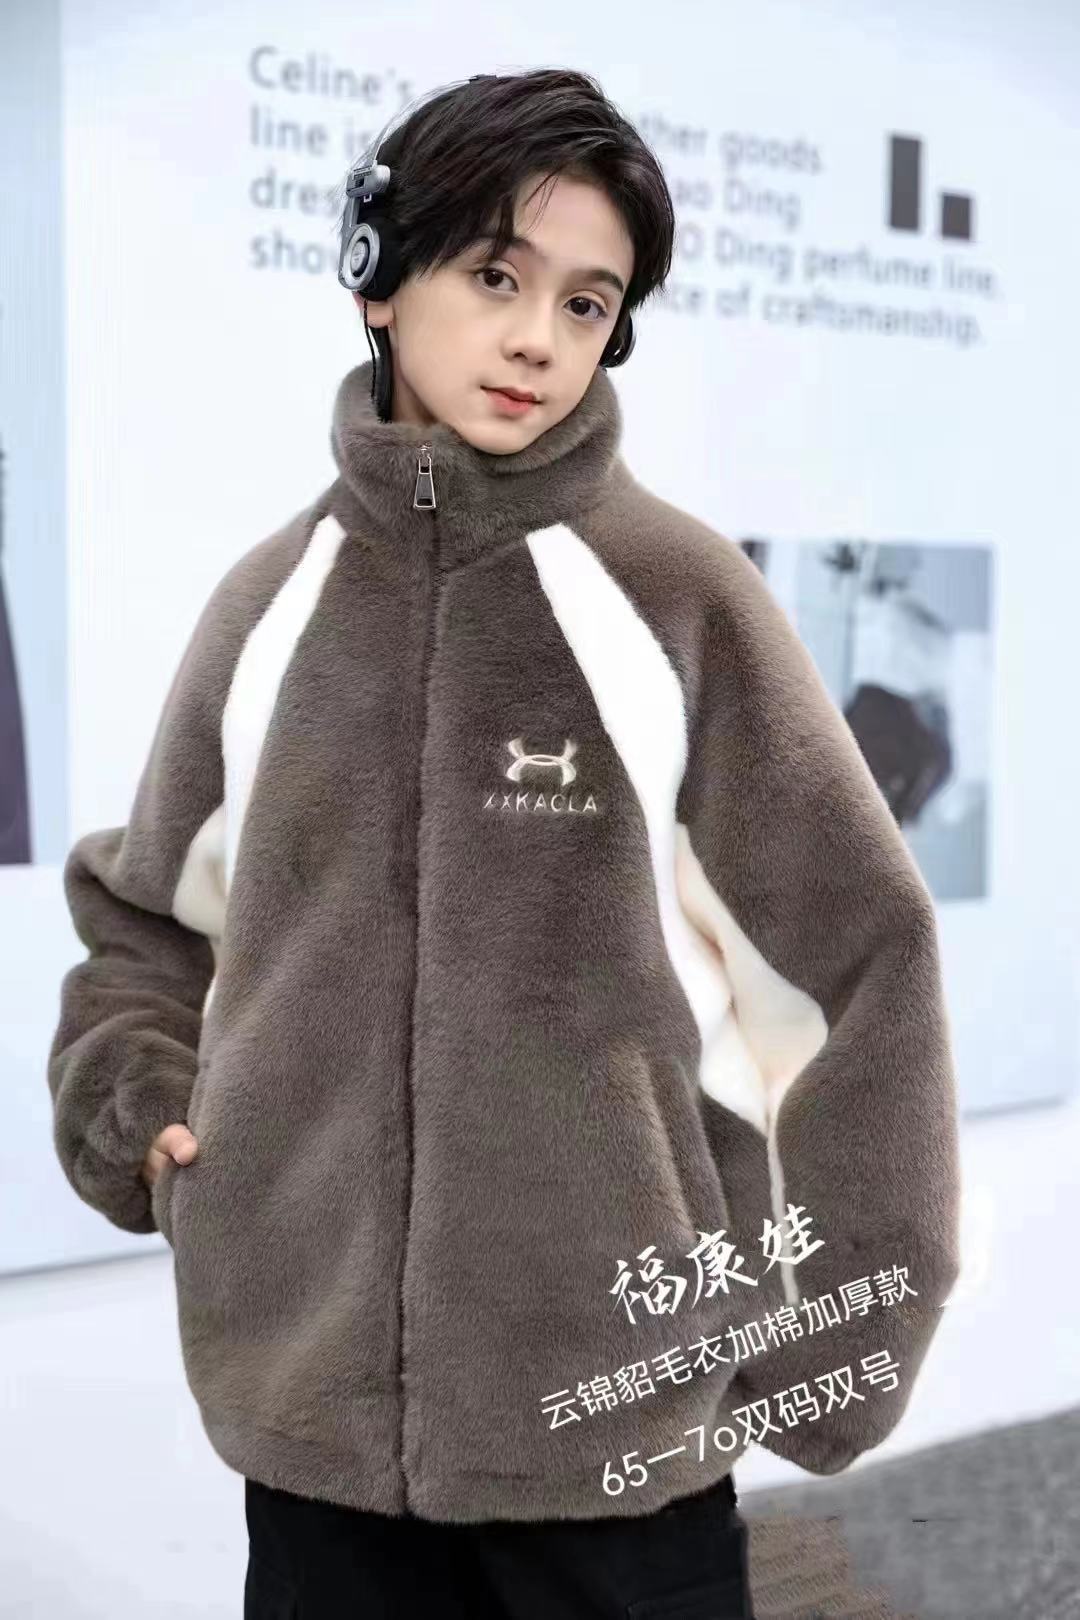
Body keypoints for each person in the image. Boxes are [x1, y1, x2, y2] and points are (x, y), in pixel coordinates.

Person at [46, 68, 961, 1619]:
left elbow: (861, 965)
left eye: (587, 303)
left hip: (620, 1452)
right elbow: (148, 922)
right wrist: (141, 1104)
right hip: (314, 1444)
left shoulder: (678, 599)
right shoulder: (268, 605)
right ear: (379, 281)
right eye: (494, 276)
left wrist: (831, 1347)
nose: (539, 336)